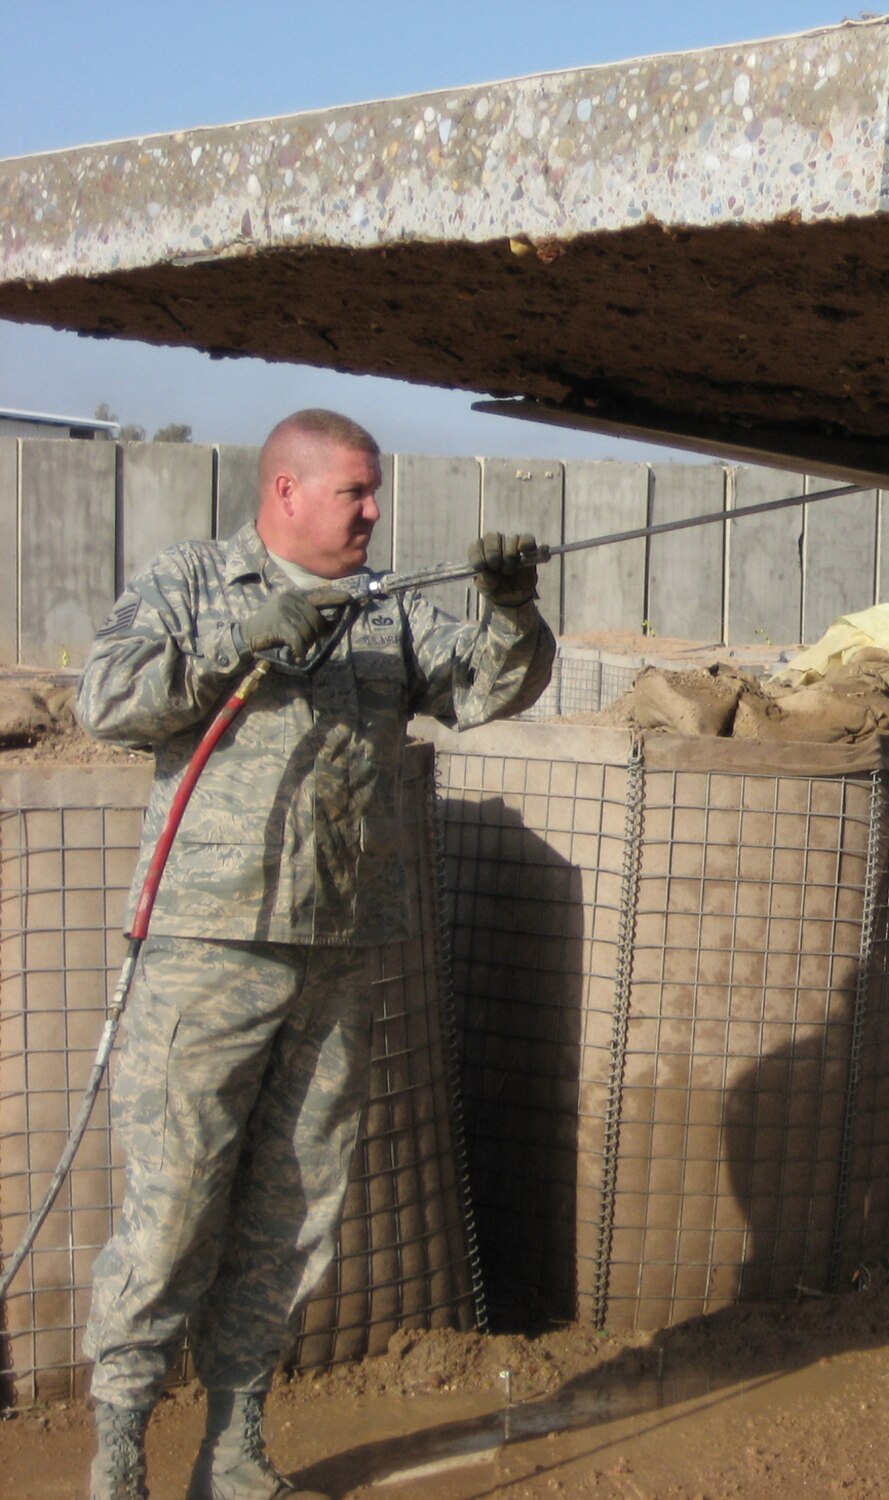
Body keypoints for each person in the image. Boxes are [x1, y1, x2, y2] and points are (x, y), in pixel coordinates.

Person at [75, 409, 555, 1500]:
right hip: (208, 947)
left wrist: (514, 611)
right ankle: (116, 1454)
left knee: (297, 1206)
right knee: (176, 1201)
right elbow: (106, 699)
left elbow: (485, 687)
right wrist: (238, 641)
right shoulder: (194, 581)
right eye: (356, 495)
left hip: (337, 947)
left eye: (375, 494)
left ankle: (234, 1444)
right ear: (286, 493)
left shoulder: (382, 611)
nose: (375, 514)